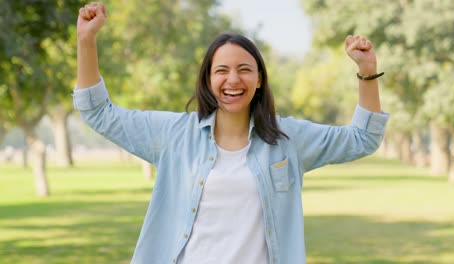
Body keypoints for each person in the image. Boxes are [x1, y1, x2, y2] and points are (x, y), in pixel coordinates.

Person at [74, 2, 389, 264]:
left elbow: (362, 138)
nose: (233, 80)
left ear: (260, 79)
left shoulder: (288, 139)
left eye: (244, 69)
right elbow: (98, 112)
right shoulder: (174, 135)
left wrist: (367, 71)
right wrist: (86, 40)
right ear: (208, 80)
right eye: (221, 71)